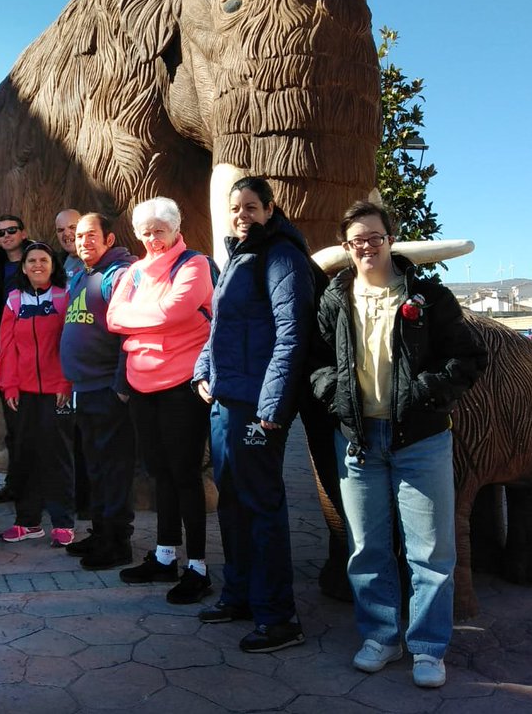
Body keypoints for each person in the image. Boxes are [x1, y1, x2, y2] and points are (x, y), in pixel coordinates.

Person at [310, 200, 487, 688]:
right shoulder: (334, 299)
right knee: (366, 547)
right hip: (358, 441)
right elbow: (317, 358)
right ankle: (382, 637)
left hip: (421, 439)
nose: (366, 247)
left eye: (375, 237)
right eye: (356, 241)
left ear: (391, 239)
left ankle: (429, 647)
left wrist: (428, 393)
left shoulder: (428, 297)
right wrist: (332, 392)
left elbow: (470, 357)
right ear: (347, 248)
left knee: (430, 551)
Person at [193, 176, 314, 653]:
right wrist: (204, 370)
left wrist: (271, 409)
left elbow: (291, 336)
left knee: (262, 508)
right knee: (232, 502)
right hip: (224, 400)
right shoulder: (237, 257)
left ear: (269, 209)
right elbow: (219, 327)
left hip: (257, 409)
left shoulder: (281, 256)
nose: (241, 215)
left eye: (250, 207)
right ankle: (239, 596)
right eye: (235, 208)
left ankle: (279, 616)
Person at [106, 197, 214, 605]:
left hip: (182, 386)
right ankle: (166, 555)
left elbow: (174, 310)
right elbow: (113, 318)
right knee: (159, 473)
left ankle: (198, 566)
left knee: (185, 474)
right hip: (140, 385)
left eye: (160, 230)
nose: (153, 239)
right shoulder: (133, 272)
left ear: (175, 228)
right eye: (146, 231)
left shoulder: (194, 265)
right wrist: (152, 318)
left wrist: (142, 320)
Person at [59, 212, 138, 570]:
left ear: (109, 239)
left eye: (92, 235)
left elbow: (129, 334)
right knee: (94, 466)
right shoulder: (81, 275)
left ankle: (117, 542)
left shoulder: (118, 275)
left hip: (108, 389)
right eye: (78, 236)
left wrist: (121, 387)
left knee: (112, 468)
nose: (83, 241)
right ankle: (101, 530)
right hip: (84, 389)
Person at [0, 242, 74, 546]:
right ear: (24, 267)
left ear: (53, 265)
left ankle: (63, 522)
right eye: (32, 261)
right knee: (24, 457)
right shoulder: (14, 300)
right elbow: (7, 349)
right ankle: (27, 521)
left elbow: (70, 345)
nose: (37, 265)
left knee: (58, 457)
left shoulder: (64, 296)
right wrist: (10, 386)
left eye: (44, 260)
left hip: (57, 392)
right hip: (22, 393)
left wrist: (65, 384)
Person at [0, 214, 33, 505]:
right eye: (1, 232)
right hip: (3, 351)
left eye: (12, 230)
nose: (6, 236)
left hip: (33, 350)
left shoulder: (39, 258)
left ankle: (37, 485)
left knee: (35, 423)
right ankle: (14, 484)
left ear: (23, 232)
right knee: (10, 424)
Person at [54, 208, 84, 281]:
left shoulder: (101, 261)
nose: (66, 233)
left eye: (72, 227)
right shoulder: (55, 263)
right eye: (61, 230)